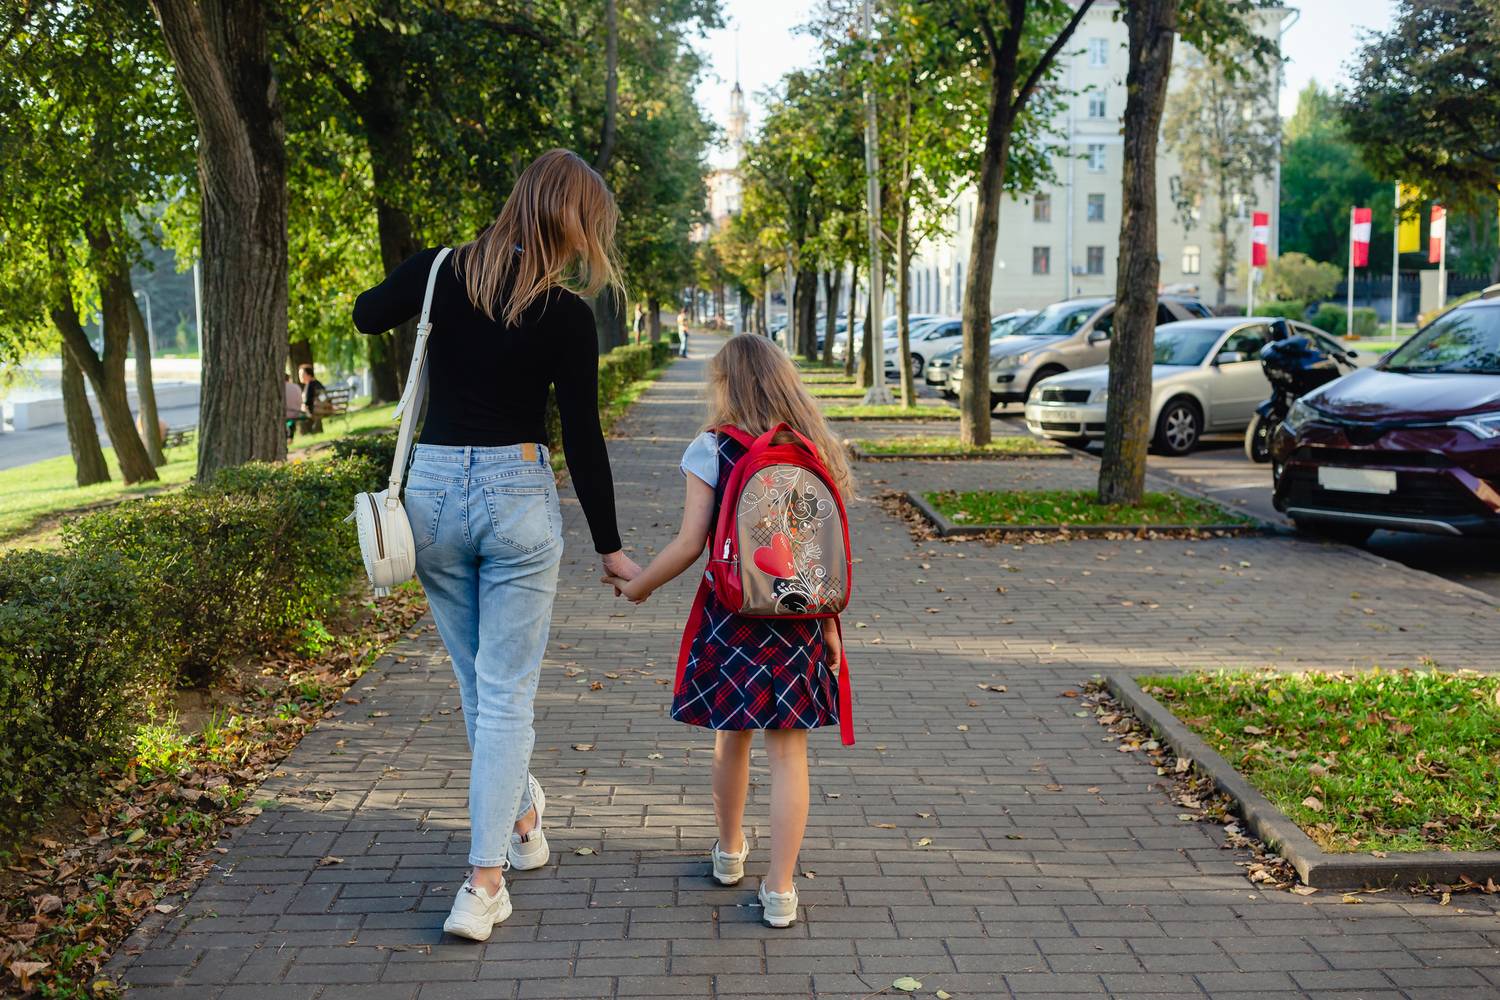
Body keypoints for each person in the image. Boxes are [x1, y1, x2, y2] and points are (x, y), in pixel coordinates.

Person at [351, 148, 641, 942]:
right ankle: (483, 881)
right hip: (517, 496)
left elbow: (366, 314)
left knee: (481, 686)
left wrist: (426, 283)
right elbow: (582, 437)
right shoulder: (567, 315)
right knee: (504, 690)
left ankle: (521, 819)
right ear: (573, 222)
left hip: (435, 498)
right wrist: (612, 549)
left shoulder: (443, 272)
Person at [601, 333, 853, 929]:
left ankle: (732, 851)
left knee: (731, 733)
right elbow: (816, 552)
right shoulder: (811, 446)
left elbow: (692, 543)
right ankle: (782, 888)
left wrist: (639, 585)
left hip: (734, 615)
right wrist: (832, 630)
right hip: (800, 615)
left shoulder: (712, 447)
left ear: (725, 384)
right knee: (790, 752)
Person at [298, 364, 326, 434]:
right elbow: (324, 397)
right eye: (299, 374)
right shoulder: (318, 383)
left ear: (309, 374)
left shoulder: (310, 385)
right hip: (322, 408)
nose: (300, 376)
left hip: (314, 410)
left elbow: (308, 401)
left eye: (302, 374)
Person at [283, 373, 303, 442]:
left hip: (286, 413)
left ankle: (288, 436)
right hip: (297, 412)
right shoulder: (296, 386)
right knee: (290, 420)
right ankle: (290, 436)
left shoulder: (280, 387)